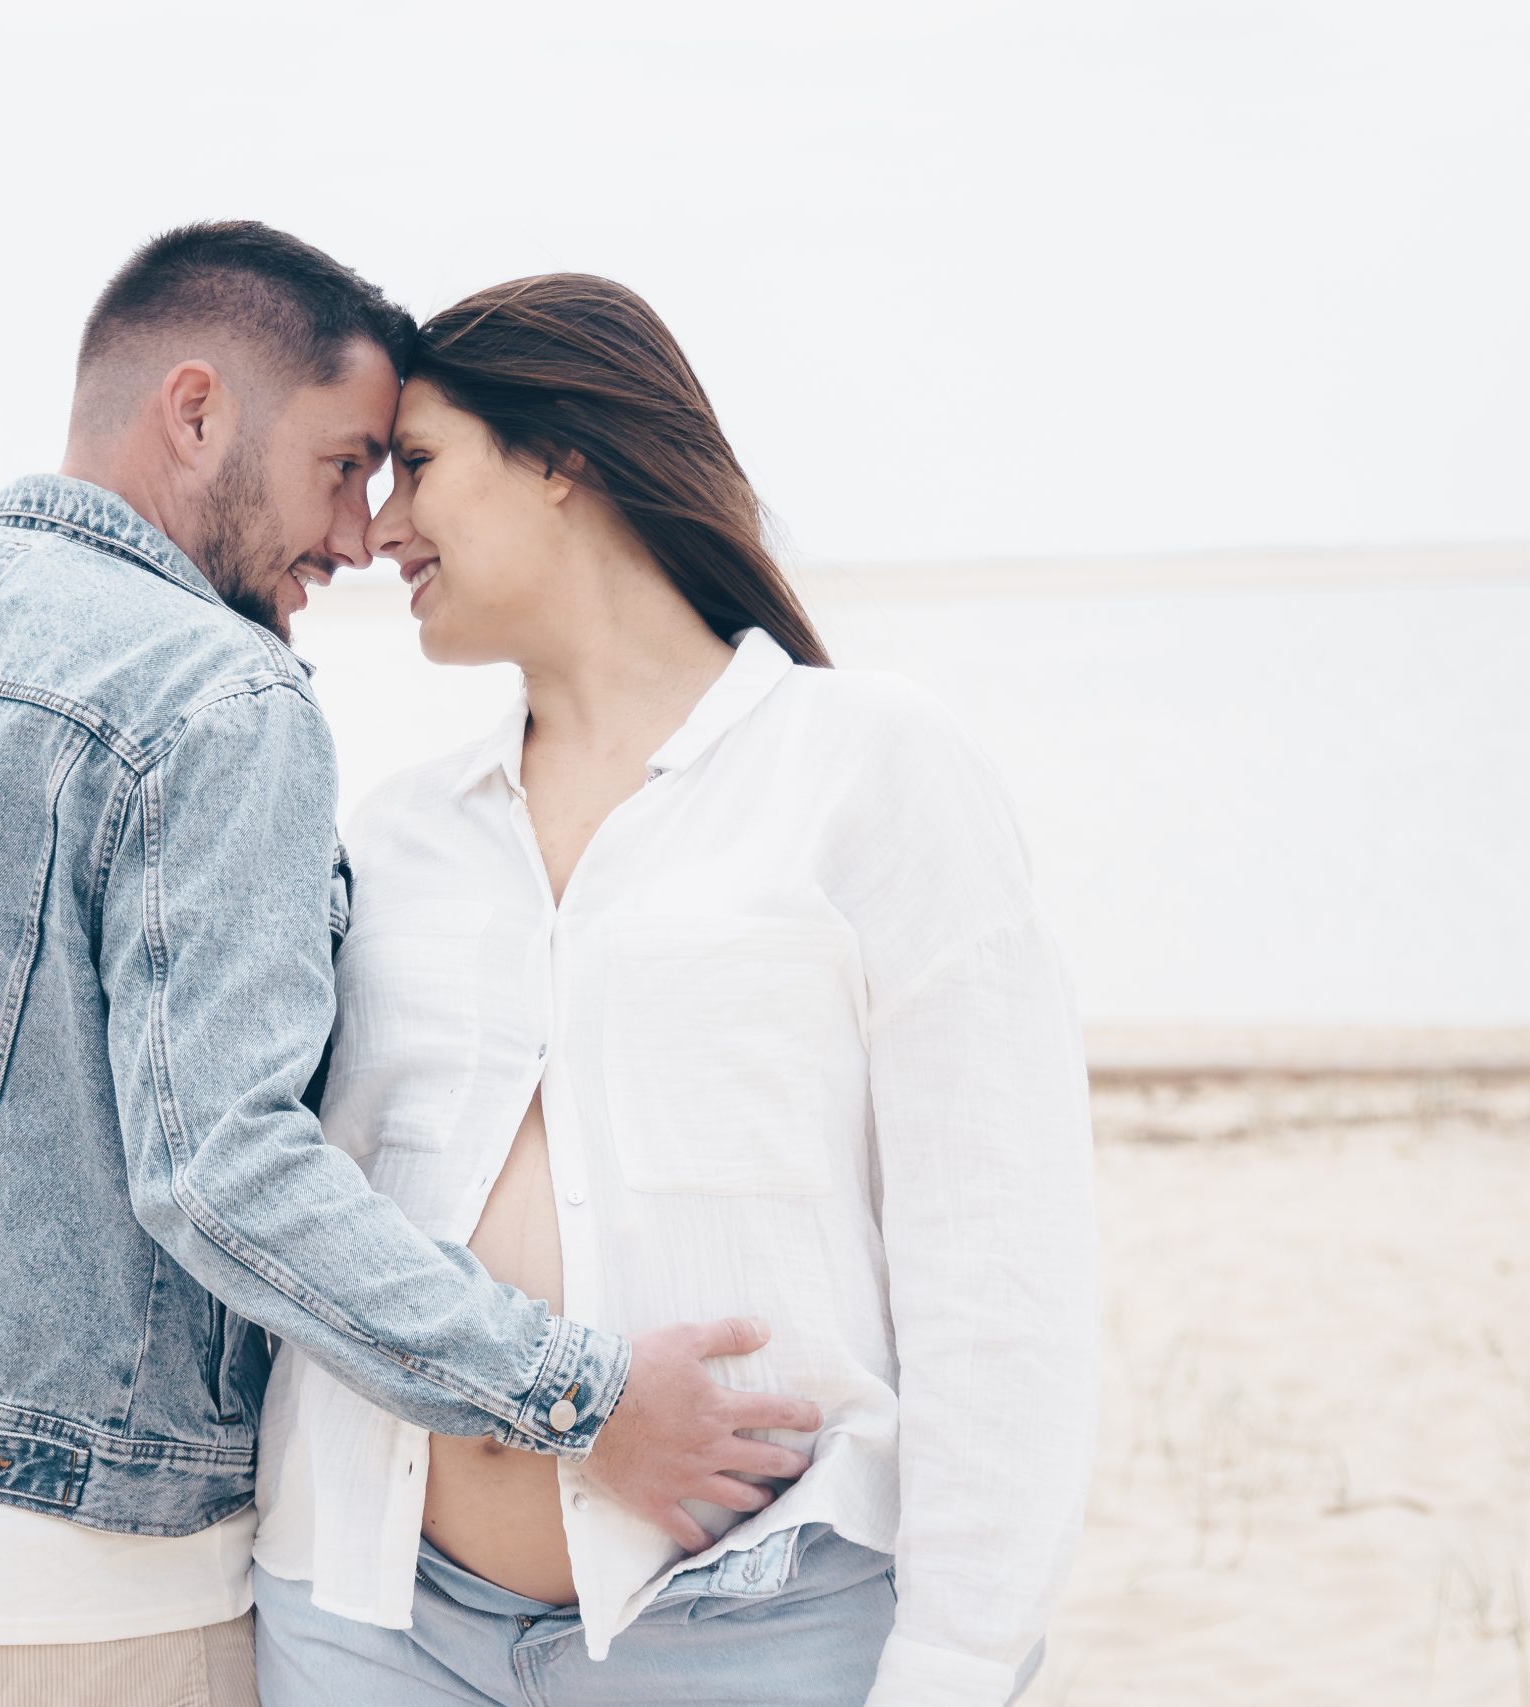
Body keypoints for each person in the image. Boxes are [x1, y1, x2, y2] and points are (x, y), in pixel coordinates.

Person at [0, 225, 819, 1707]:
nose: (360, 535)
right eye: (343, 462)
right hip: (73, 1584)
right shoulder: (215, 694)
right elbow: (222, 1170)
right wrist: (569, 1393)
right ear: (195, 410)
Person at [250, 274, 1099, 1707]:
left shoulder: (868, 766)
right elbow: (288, 1204)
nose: (380, 526)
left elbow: (999, 1258)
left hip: (755, 1633)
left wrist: (956, 1662)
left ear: (562, 456)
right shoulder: (393, 831)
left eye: (422, 466)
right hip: (367, 1628)